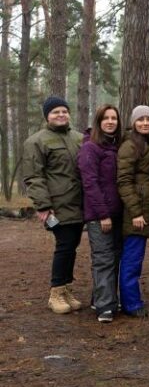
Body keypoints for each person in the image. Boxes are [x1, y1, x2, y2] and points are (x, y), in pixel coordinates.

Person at [23, 96, 85, 315]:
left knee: (72, 246)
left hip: (79, 204)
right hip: (57, 206)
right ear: (47, 116)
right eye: (55, 112)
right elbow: (33, 176)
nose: (61, 115)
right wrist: (43, 205)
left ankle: (67, 289)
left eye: (64, 111)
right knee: (65, 246)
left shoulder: (79, 138)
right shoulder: (36, 141)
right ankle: (56, 293)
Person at [77, 104, 123, 322]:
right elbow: (90, 184)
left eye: (114, 118)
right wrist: (103, 214)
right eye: (106, 118)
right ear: (98, 121)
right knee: (103, 258)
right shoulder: (90, 148)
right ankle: (105, 306)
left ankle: (102, 298)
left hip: (118, 213)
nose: (111, 121)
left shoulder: (116, 146)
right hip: (99, 216)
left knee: (114, 257)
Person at [117, 105, 149, 318]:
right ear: (134, 122)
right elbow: (124, 181)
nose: (145, 123)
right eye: (141, 119)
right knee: (133, 260)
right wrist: (135, 212)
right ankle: (131, 303)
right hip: (138, 214)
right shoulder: (129, 146)